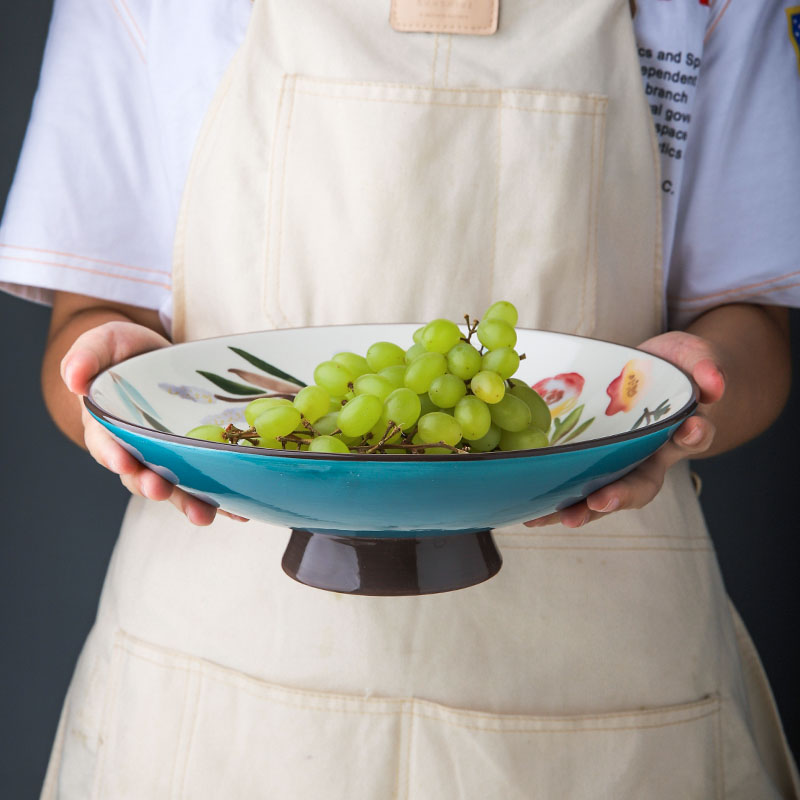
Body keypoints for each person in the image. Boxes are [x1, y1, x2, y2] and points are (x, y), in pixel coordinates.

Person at [2, 0, 799, 796]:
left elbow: (750, 330)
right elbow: (89, 319)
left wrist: (693, 387)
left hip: (604, 664)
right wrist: (115, 382)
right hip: (218, 675)